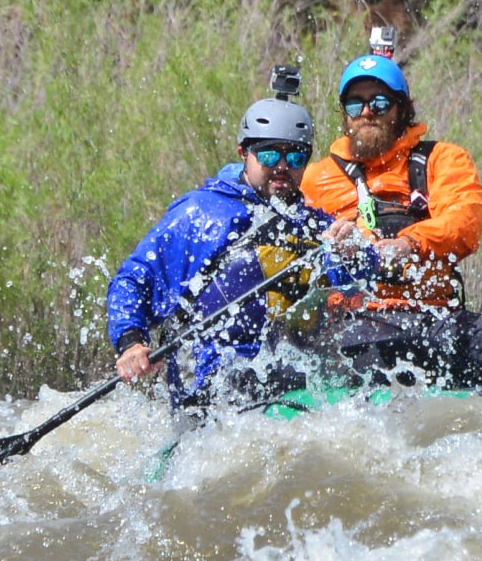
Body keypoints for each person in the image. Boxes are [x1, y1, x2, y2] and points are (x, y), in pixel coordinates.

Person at [301, 51, 482, 396]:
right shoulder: (318, 177)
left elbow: (464, 220)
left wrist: (409, 244)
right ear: (345, 114)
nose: (366, 113)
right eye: (355, 105)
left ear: (401, 108)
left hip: (434, 316)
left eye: (379, 103)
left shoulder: (441, 159)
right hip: (359, 321)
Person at [105, 82, 336, 408]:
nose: (283, 166)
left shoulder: (317, 226)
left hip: (292, 376)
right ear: (245, 153)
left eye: (296, 156)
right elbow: (133, 279)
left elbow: (363, 274)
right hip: (215, 385)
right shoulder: (200, 213)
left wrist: (352, 250)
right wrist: (131, 343)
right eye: (270, 154)